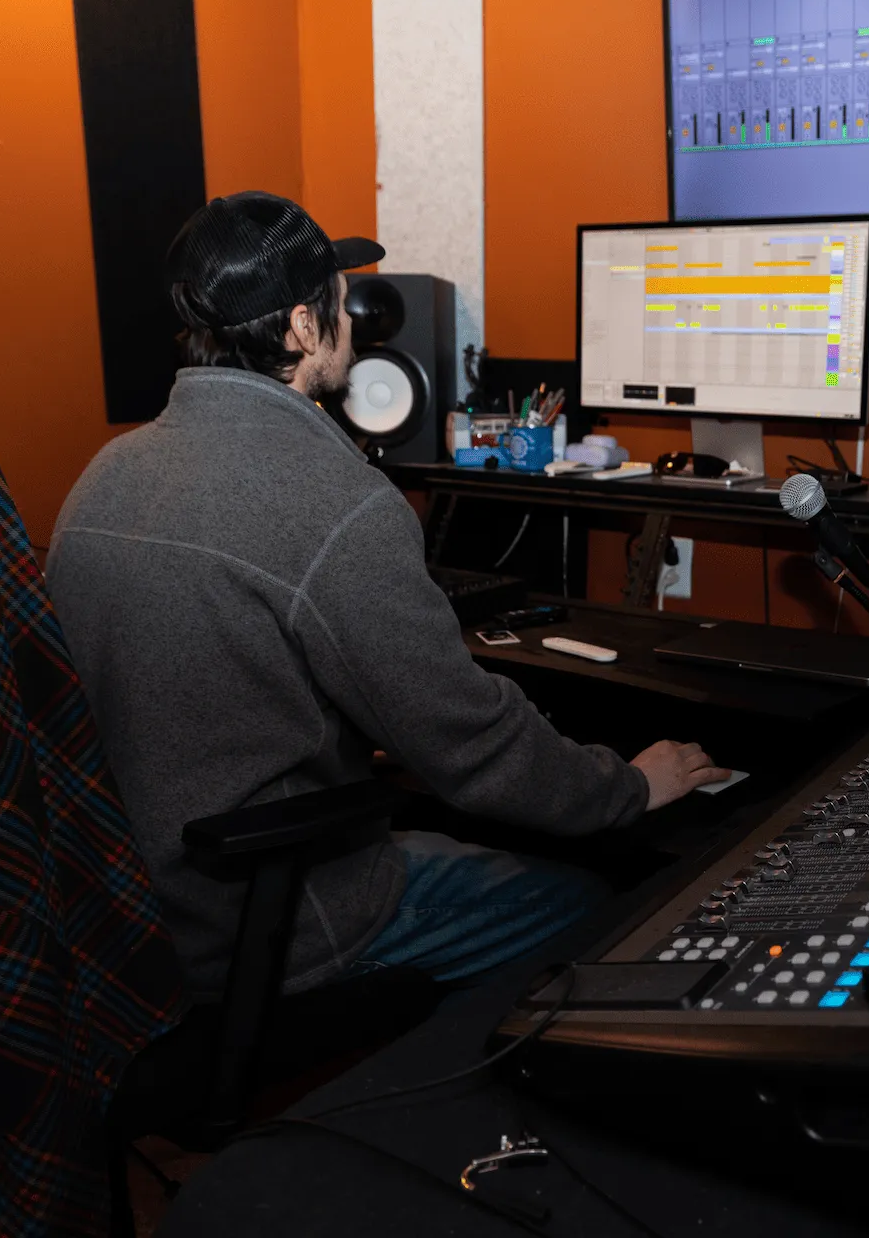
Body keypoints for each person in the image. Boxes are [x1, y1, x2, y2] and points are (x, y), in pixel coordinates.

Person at [46, 191, 730, 998]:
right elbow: (471, 748)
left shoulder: (101, 477)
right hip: (280, 918)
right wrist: (630, 786)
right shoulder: (337, 500)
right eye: (339, 304)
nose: (352, 323)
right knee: (596, 900)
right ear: (304, 328)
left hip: (132, 911)